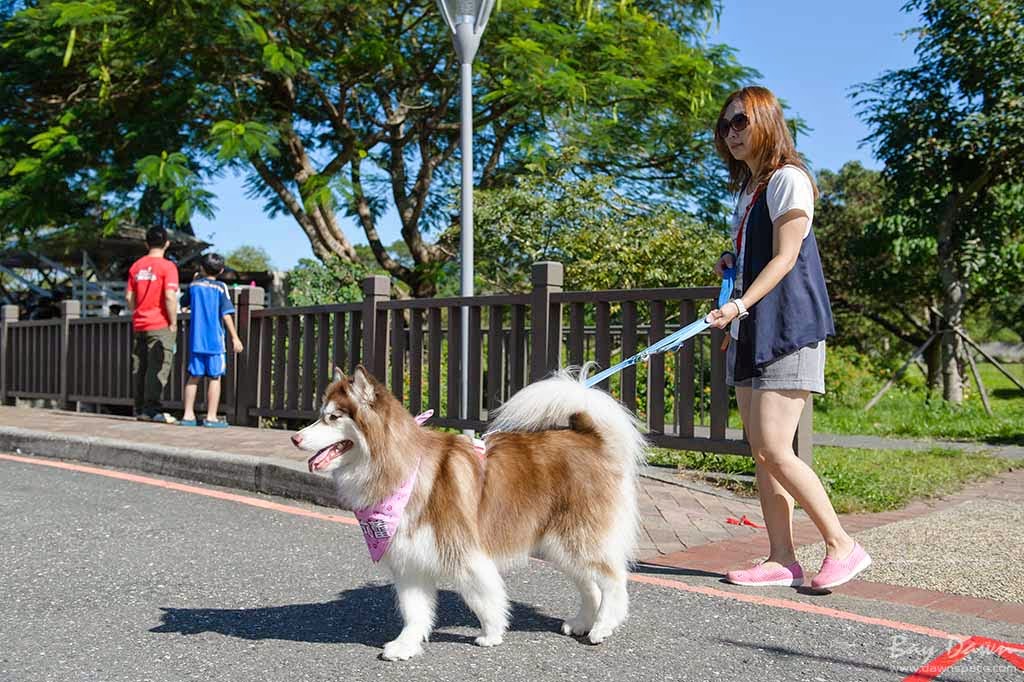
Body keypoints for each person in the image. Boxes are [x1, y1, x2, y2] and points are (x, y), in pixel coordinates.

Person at [707, 86, 871, 591]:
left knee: (777, 447)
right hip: (753, 328)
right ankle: (782, 558)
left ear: (766, 121)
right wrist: (732, 264)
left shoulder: (788, 179)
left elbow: (786, 257)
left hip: (787, 328)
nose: (732, 133)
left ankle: (843, 545)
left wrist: (737, 304)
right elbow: (759, 255)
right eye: (726, 126)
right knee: (761, 450)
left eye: (741, 122)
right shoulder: (750, 191)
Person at [179, 253, 243, 427]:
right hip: (215, 341)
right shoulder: (220, 287)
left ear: (201, 268)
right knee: (215, 378)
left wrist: (194, 280)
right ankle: (211, 417)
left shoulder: (194, 286)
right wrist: (235, 337)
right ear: (221, 270)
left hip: (196, 341)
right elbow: (226, 314)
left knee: (194, 377)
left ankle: (188, 415)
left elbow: (183, 305)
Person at [127, 226, 179, 424]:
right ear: (167, 243)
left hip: (139, 322)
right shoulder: (168, 267)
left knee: (139, 367)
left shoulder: (136, 266)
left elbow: (129, 296)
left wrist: (137, 311)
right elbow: (169, 296)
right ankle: (152, 410)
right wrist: (172, 322)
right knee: (158, 367)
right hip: (159, 323)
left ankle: (140, 409)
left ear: (146, 243)